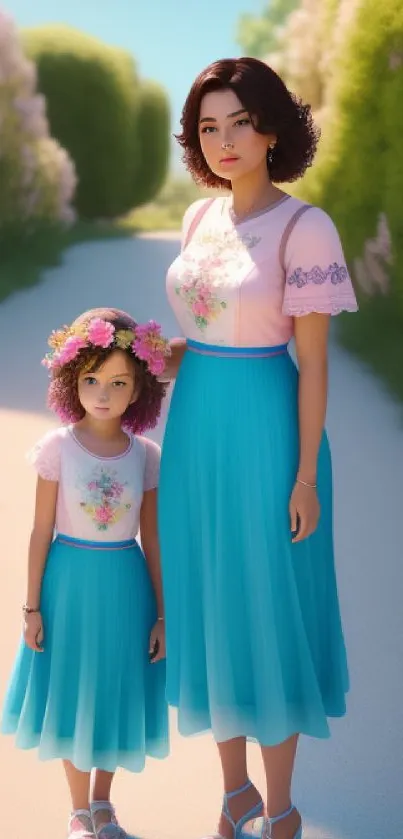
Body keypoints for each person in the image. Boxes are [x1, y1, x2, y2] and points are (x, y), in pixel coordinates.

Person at [158, 58, 358, 839]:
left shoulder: (306, 226)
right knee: (211, 599)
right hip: (196, 426)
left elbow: (312, 363)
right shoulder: (197, 219)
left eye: (239, 121)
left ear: (273, 129)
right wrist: (153, 354)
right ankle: (231, 793)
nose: (224, 140)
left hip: (268, 434)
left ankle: (280, 809)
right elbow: (206, 330)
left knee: (267, 607)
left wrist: (304, 474)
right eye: (208, 126)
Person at [1, 308, 171, 839]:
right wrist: (31, 606)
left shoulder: (144, 455)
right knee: (74, 690)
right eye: (91, 379)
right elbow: (39, 531)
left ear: (138, 389)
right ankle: (78, 811)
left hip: (125, 586)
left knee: (114, 688)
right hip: (68, 585)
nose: (102, 393)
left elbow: (153, 537)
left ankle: (103, 804)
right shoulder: (58, 448)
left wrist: (163, 613)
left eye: (118, 382)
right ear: (70, 381)